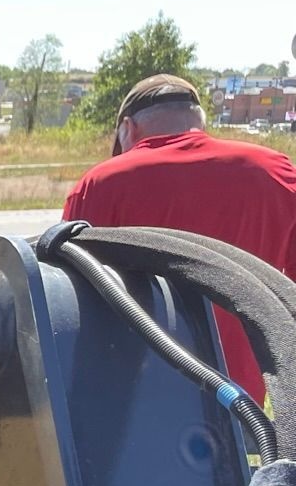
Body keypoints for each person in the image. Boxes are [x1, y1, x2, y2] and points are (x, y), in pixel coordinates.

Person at [63, 74, 296, 402]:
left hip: (138, 399)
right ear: (198, 120)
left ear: (128, 129)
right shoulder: (273, 171)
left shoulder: (100, 184)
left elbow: (70, 299)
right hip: (242, 401)